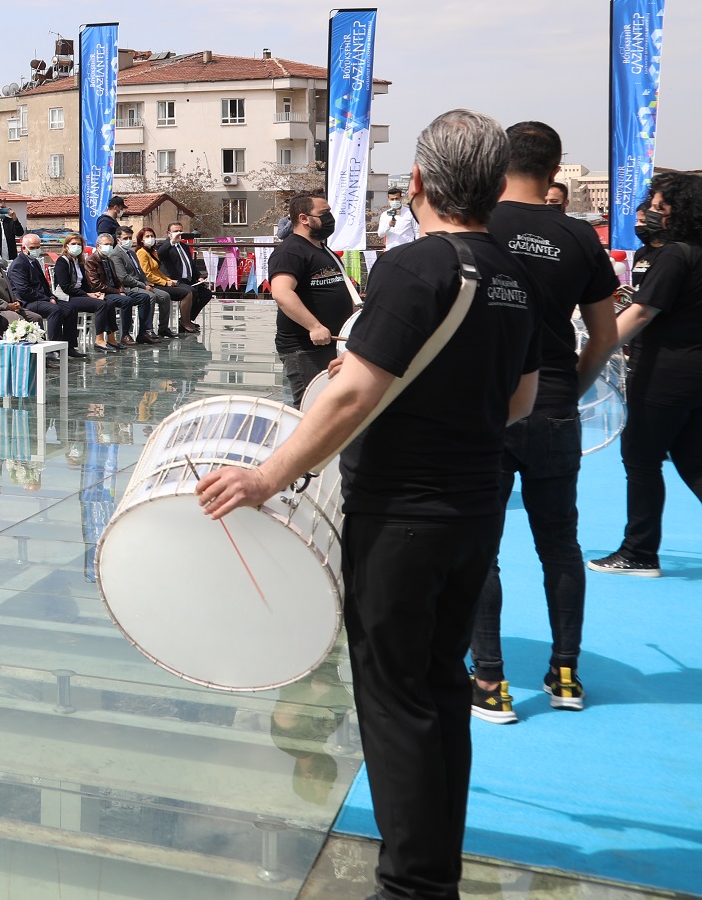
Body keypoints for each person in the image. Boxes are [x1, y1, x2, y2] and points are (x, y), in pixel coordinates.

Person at [198, 108, 538, 900]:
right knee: (441, 688)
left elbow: (352, 393)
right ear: (493, 188)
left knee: (393, 698)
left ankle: (411, 883)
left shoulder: (414, 270)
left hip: (402, 516)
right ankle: (433, 870)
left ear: (417, 183)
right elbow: (522, 400)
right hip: (476, 505)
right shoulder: (516, 278)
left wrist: (265, 477)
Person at [468, 121, 620, 720]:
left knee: (482, 547)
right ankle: (565, 674)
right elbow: (604, 336)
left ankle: (490, 683)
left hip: (486, 409)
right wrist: (567, 390)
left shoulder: (480, 226)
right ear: (556, 171)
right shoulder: (580, 237)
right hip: (555, 406)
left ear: (500, 162)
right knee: (560, 545)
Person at [592, 173, 702, 580]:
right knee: (693, 461)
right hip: (694, 373)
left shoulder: (674, 255)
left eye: (660, 206)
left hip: (665, 373)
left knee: (641, 459)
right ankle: (640, 550)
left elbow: (640, 312)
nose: (652, 212)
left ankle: (639, 552)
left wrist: (594, 350)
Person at [269, 194, 356, 404]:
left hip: (332, 345)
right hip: (304, 349)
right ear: (304, 218)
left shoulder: (322, 249)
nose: (330, 218)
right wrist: (314, 326)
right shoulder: (290, 251)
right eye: (324, 213)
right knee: (312, 408)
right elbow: (281, 292)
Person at [51, 232, 123, 352]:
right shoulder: (62, 261)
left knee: (109, 303)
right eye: (73, 244)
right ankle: (99, 340)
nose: (77, 246)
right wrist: (87, 294)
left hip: (80, 294)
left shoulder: (79, 262)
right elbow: (66, 287)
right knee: (101, 304)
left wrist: (93, 293)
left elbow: (85, 284)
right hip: (67, 296)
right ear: (66, 246)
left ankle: (111, 338)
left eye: (79, 244)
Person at [96, 231, 159, 344]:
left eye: (110, 244)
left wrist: (120, 289)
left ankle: (143, 333)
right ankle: (125, 334)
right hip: (106, 292)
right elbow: (97, 283)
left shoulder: (109, 259)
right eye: (106, 244)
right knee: (127, 300)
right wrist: (118, 291)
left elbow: (117, 279)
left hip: (118, 290)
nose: (109, 247)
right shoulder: (95, 259)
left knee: (144, 298)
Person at [134, 227, 190, 339]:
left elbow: (157, 271)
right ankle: (150, 329)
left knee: (168, 296)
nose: (151, 238)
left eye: (152, 236)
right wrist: (165, 283)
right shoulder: (142, 253)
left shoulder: (151, 252)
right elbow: (147, 274)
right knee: (167, 295)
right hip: (150, 284)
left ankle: (163, 328)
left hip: (159, 282)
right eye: (147, 236)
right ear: (141, 240)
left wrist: (168, 280)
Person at [158, 221, 211, 332]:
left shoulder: (184, 246)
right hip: (174, 281)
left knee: (206, 293)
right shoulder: (164, 245)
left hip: (188, 280)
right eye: (175, 231)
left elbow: (190, 264)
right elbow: (160, 254)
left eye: (180, 231)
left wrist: (199, 276)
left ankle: (187, 318)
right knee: (190, 291)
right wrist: (172, 241)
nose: (178, 233)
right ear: (168, 233)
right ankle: (185, 323)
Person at [376, 185, 419, 250]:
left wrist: (417, 248)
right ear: (388, 200)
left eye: (397, 198)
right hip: (391, 250)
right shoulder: (385, 215)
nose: (394, 201)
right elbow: (380, 234)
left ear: (401, 198)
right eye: (392, 199)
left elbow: (417, 231)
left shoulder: (410, 212)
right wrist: (389, 225)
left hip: (407, 249)